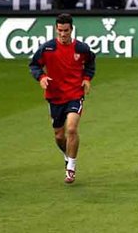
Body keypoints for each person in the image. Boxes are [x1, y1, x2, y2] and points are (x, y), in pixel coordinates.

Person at [29, 13, 96, 184]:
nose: (63, 34)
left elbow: (90, 63)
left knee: (72, 129)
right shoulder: (48, 48)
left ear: (71, 29)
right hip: (55, 96)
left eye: (66, 30)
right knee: (59, 136)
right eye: (60, 31)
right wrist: (41, 77)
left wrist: (87, 79)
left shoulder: (81, 49)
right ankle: (67, 155)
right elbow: (34, 65)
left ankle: (71, 169)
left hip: (74, 94)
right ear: (55, 29)